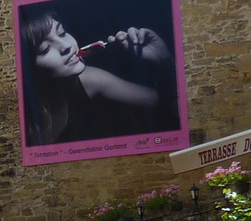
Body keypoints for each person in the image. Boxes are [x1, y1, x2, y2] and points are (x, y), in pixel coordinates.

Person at [19, 11, 168, 147]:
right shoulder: (24, 121)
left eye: (62, 33)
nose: (66, 46)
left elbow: (167, 104)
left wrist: (164, 60)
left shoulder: (90, 79)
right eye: (45, 48)